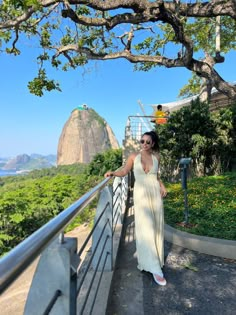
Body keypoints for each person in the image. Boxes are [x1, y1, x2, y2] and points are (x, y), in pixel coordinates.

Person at [104, 131, 167, 286]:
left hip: (154, 195)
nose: (144, 144)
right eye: (142, 141)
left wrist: (162, 186)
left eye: (147, 142)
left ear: (153, 144)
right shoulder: (133, 156)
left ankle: (155, 260)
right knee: (146, 228)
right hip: (141, 196)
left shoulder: (156, 157)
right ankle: (154, 267)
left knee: (156, 227)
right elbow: (125, 171)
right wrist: (113, 173)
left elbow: (156, 176)